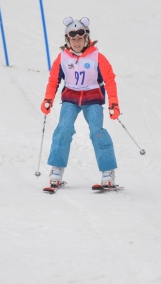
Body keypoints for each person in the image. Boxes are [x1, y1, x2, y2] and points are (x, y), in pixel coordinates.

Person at [40, 17, 120, 189]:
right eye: (73, 39)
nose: (76, 42)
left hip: (93, 99)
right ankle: (57, 170)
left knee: (96, 131)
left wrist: (113, 102)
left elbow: (110, 79)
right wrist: (48, 99)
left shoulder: (97, 56)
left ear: (86, 38)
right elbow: (53, 80)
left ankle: (108, 172)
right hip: (71, 98)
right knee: (64, 128)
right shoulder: (62, 58)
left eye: (80, 38)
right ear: (67, 40)